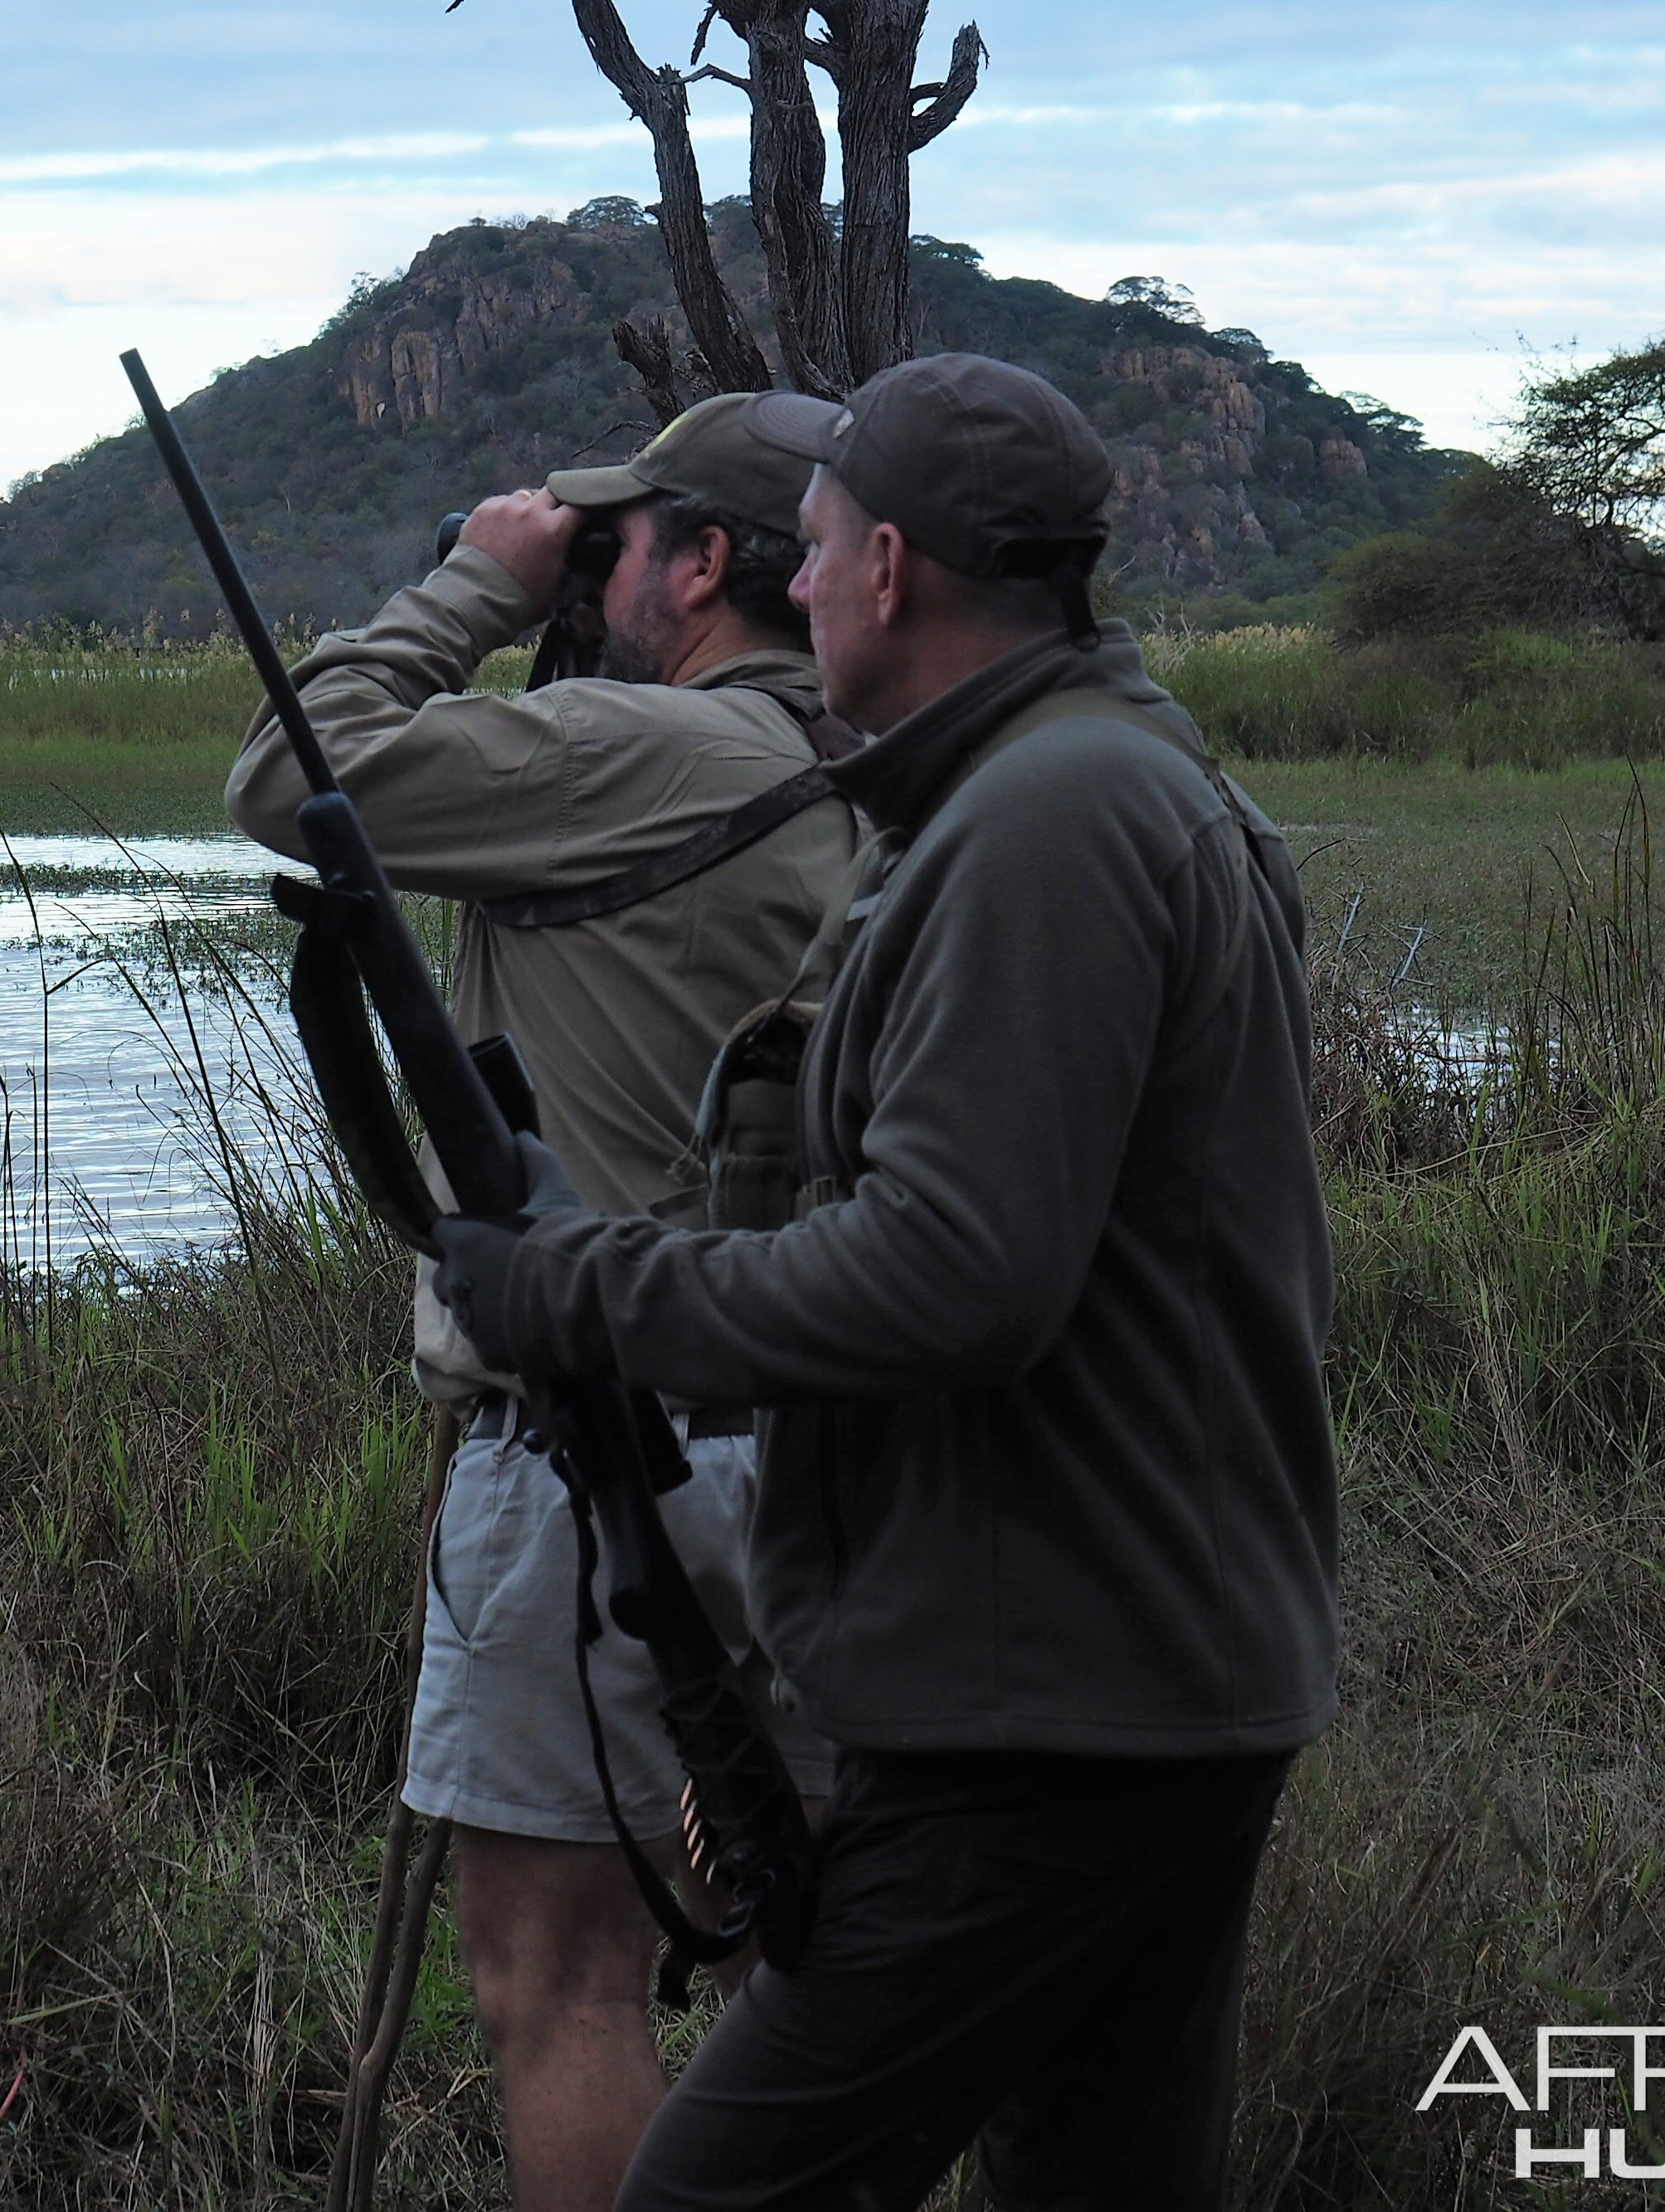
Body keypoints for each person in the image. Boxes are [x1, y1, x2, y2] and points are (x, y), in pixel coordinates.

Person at [428, 352, 1341, 2212]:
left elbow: (958, 1279)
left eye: (823, 546)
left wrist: (575, 1291)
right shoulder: (1075, 785)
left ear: (894, 570)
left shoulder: (1054, 820)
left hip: (1054, 1716)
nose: (809, 580)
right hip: (1131, 1679)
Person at [226, 394, 859, 2212]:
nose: (594, 584)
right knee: (797, 1973)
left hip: (600, 1441)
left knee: (560, 1980)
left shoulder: (633, 752)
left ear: (706, 561)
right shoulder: (910, 765)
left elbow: (293, 774)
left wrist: (463, 594)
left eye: (614, 548)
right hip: (843, 1429)